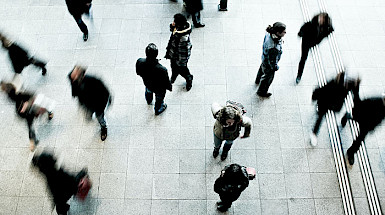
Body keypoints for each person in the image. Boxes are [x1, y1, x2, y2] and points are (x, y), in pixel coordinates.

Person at [1, 78, 55, 151]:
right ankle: (32, 140)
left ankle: (49, 112)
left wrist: (26, 104)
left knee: (42, 109)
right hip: (26, 112)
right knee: (30, 125)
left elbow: (33, 96)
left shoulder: (22, 93)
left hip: (30, 108)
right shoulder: (12, 96)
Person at [310, 72, 360, 146]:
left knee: (323, 114)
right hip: (325, 101)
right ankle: (314, 134)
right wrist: (315, 97)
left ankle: (346, 117)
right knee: (320, 117)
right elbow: (323, 90)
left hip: (336, 104)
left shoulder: (352, 84)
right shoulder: (334, 82)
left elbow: (356, 96)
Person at [68, 65, 111, 141]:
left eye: (75, 74)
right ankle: (90, 117)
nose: (72, 75)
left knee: (100, 117)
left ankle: (103, 128)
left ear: (82, 75)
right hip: (85, 103)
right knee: (88, 115)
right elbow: (74, 87)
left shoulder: (93, 80)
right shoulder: (71, 77)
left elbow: (105, 92)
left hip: (97, 104)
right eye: (73, 72)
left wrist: (106, 102)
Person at [341, 92, 385, 165]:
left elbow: (380, 119)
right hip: (362, 117)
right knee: (353, 118)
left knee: (360, 139)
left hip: (367, 125)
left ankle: (351, 152)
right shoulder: (374, 100)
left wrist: (373, 126)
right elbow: (361, 104)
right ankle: (347, 115)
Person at [296, 13, 334, 84]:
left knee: (304, 56)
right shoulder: (311, 24)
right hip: (306, 43)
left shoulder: (326, 27)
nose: (320, 20)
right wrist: (300, 33)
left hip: (314, 43)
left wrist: (323, 36)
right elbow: (303, 28)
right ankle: (299, 75)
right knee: (303, 58)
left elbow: (330, 30)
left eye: (322, 19)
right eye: (320, 18)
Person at [136, 43, 172, 115]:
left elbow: (138, 72)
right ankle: (157, 109)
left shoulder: (140, 61)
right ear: (156, 54)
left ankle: (149, 100)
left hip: (148, 83)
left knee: (148, 91)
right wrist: (169, 87)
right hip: (159, 88)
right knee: (159, 98)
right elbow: (166, 82)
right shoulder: (162, 69)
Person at [255, 22, 286, 98]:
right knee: (268, 78)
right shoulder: (273, 47)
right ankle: (261, 92)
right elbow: (272, 61)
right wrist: (275, 67)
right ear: (278, 33)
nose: (285, 33)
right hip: (269, 64)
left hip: (264, 58)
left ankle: (257, 80)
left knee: (262, 68)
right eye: (283, 32)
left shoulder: (269, 33)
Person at [165, 13, 194, 91]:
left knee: (182, 69)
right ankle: (174, 74)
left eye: (174, 21)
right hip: (174, 53)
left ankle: (189, 78)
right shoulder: (178, 29)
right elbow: (173, 32)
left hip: (179, 57)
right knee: (173, 66)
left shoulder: (183, 39)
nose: (173, 22)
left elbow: (184, 53)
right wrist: (172, 26)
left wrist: (181, 63)